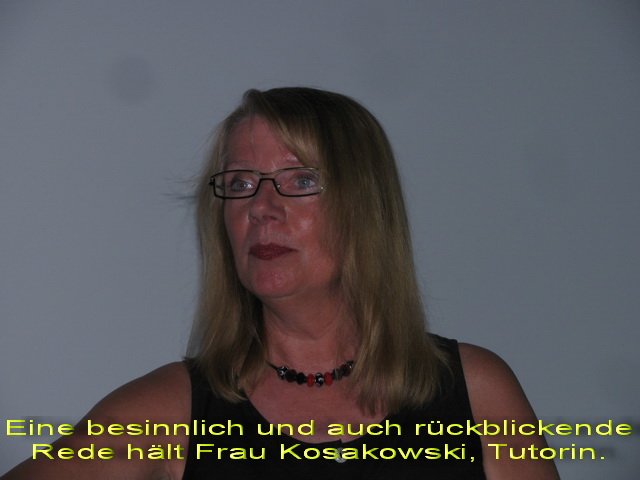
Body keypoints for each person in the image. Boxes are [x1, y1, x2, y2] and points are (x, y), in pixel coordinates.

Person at [2, 87, 560, 479]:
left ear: (366, 208)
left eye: (300, 180)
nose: (261, 207)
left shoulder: (477, 393)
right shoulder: (169, 411)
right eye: (240, 183)